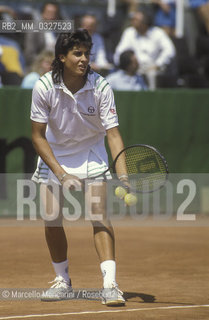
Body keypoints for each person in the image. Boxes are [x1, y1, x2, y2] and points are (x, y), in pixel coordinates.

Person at [30, 29, 126, 306]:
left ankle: (110, 284)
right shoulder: (44, 86)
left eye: (87, 53)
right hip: (55, 154)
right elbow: (37, 136)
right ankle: (63, 281)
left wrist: (123, 172)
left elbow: (114, 134)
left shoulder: (101, 86)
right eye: (77, 53)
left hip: (91, 153)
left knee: (99, 216)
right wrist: (61, 173)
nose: (84, 59)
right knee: (51, 218)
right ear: (62, 57)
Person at [114, 9, 176, 89]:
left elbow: (170, 50)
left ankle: (151, 97)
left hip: (152, 67)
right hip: (133, 66)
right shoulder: (129, 32)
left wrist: (158, 64)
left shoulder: (158, 33)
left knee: (152, 74)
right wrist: (123, 65)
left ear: (144, 23)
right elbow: (119, 52)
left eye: (135, 20)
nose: (132, 22)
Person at [24, 1, 61, 68]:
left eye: (54, 14)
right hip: (39, 68)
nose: (51, 17)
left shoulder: (59, 32)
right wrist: (44, 64)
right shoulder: (34, 30)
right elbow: (29, 54)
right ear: (42, 14)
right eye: (48, 13)